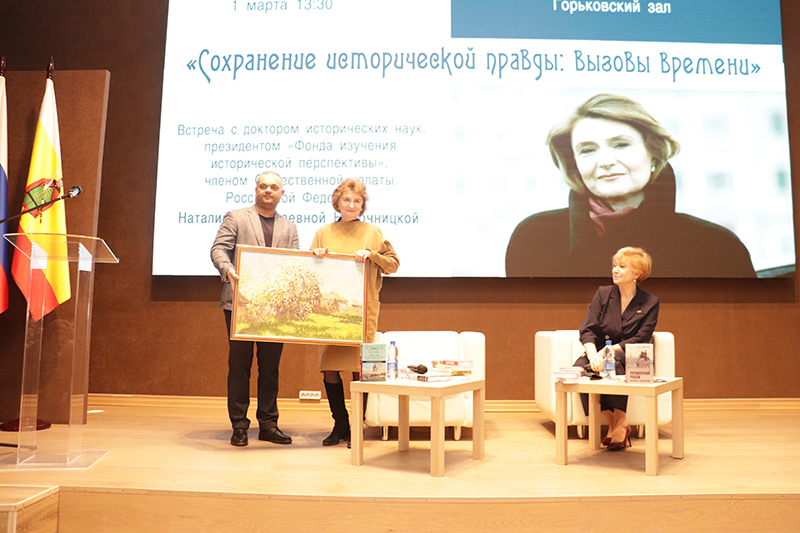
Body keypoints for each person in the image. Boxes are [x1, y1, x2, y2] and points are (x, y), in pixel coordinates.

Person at [506, 93, 756, 278]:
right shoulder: (535, 237)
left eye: (621, 145)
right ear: (575, 165)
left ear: (654, 154)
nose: (605, 161)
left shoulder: (715, 246)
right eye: (588, 150)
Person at [211, 171, 299, 447]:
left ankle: (268, 425)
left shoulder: (289, 227)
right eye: (263, 186)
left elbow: (294, 263)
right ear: (256, 190)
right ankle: (239, 426)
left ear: (282, 193)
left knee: (270, 368)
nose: (268, 190)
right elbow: (218, 249)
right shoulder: (236, 217)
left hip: (275, 308)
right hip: (241, 303)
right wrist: (227, 269)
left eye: (273, 187)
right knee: (240, 366)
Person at [311, 178, 399, 446]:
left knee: (361, 369)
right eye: (346, 200)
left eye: (357, 201)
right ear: (337, 203)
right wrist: (315, 256)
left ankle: (357, 426)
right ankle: (340, 425)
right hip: (330, 315)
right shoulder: (324, 231)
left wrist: (372, 255)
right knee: (329, 368)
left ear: (363, 205)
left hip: (362, 312)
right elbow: (310, 273)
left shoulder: (372, 231)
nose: (351, 205)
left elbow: (393, 264)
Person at [574, 247, 659, 451]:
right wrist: (593, 355)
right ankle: (613, 422)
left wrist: (609, 352)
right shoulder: (603, 294)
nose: (615, 270)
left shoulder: (650, 302)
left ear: (637, 273)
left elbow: (641, 338)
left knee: (614, 365)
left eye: (622, 267)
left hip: (631, 355)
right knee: (580, 370)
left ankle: (620, 421)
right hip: (599, 351)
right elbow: (587, 329)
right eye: (614, 266)